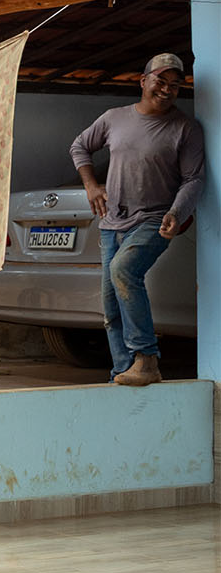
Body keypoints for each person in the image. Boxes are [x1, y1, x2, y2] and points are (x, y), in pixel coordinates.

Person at [70, 52, 205, 387]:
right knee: (111, 306)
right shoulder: (114, 118)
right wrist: (91, 186)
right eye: (161, 80)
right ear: (143, 81)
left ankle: (147, 358)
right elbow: (80, 147)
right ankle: (122, 372)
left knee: (124, 271)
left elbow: (194, 179)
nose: (167, 89)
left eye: (175, 84)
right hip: (111, 223)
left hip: (155, 219)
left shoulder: (185, 128)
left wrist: (177, 211)